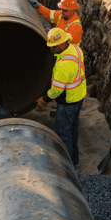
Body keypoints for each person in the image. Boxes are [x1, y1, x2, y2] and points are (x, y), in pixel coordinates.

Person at [36, 27, 86, 167]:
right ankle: (74, 160)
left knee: (63, 134)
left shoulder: (64, 64)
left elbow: (57, 90)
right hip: (79, 96)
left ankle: (67, 166)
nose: (52, 50)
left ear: (62, 44)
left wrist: (44, 100)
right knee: (73, 129)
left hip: (68, 102)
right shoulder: (75, 49)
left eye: (54, 47)